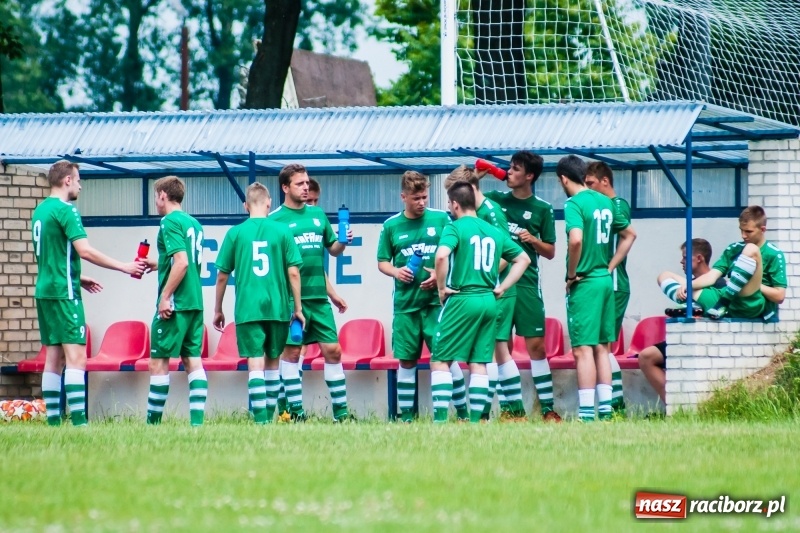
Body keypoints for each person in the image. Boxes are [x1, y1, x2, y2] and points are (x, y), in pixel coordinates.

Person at [32, 160, 145, 426]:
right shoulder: (66, 210)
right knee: (76, 356)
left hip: (46, 290)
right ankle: (80, 423)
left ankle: (52, 422)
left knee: (53, 356)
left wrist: (78, 276)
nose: (81, 185)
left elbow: (51, 257)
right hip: (64, 293)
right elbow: (85, 250)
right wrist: (124, 266)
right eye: (79, 179)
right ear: (67, 180)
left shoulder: (40, 211)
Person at [431, 182, 530, 423]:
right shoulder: (493, 231)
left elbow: (442, 255)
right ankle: (477, 422)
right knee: (479, 362)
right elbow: (523, 259)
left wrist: (442, 288)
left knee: (440, 360)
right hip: (489, 299)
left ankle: (440, 421)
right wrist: (503, 286)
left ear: (455, 204)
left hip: (462, 298)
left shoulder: (455, 228)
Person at [212, 183, 305, 424]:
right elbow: (294, 272)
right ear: (269, 202)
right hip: (277, 307)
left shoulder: (235, 233)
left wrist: (218, 309)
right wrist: (298, 308)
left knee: (255, 362)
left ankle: (261, 420)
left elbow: (222, 274)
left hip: (248, 308)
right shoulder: (283, 231)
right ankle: (270, 417)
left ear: (245, 205)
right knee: (273, 362)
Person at [270, 164, 353, 422]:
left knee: (334, 350)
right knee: (293, 354)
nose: (306, 187)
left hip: (319, 300)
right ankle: (294, 414)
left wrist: (342, 241)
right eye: (299, 183)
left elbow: (331, 251)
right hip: (291, 302)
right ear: (285, 188)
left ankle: (341, 415)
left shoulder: (318, 215)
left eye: (307, 183)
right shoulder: (274, 220)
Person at [484, 150, 560, 421]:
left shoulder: (543, 208)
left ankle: (548, 409)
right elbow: (466, 202)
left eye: (515, 169)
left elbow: (550, 251)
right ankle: (510, 410)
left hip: (527, 284)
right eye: (509, 168)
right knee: (499, 344)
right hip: (499, 284)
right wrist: (478, 178)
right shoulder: (494, 200)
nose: (509, 173)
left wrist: (533, 240)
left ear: (529, 176)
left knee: (536, 345)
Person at [377, 171, 456, 422]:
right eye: (416, 198)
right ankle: (407, 417)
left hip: (437, 304)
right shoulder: (391, 226)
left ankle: (461, 414)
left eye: (424, 197)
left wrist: (439, 276)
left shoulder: (442, 219)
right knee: (407, 362)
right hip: (406, 306)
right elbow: (382, 262)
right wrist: (396, 271)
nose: (421, 202)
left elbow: (455, 254)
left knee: (446, 358)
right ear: (403, 197)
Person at [557, 155, 631, 421]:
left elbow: (575, 240)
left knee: (583, 348)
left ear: (564, 178)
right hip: (604, 281)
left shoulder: (574, 204)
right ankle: (606, 411)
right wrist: (610, 266)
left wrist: (571, 274)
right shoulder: (605, 202)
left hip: (585, 282)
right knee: (602, 347)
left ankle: (587, 414)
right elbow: (630, 234)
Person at [143, 176, 208, 426]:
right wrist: (159, 263)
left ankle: (153, 425)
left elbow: (181, 262)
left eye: (155, 196)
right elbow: (185, 260)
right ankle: (197, 425)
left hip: (177, 304)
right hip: (195, 302)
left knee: (158, 362)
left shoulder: (168, 221)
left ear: (162, 195)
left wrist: (165, 296)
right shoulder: (194, 223)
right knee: (193, 360)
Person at [657, 206, 786, 320]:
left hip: (750, 303)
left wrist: (744, 282)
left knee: (751, 249)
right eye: (741, 230)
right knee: (664, 276)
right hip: (726, 299)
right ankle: (696, 305)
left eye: (748, 231)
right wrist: (689, 285)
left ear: (762, 230)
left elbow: (779, 296)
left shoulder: (774, 254)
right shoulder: (733, 248)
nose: (743, 235)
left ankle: (722, 302)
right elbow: (711, 276)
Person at [640, 239, 725, 405]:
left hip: (706, 340)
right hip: (682, 338)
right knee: (646, 356)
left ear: (699, 258)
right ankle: (673, 405)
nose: (681, 261)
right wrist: (687, 286)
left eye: (686, 257)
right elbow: (664, 276)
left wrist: (690, 290)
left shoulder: (719, 284)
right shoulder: (687, 285)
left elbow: (711, 306)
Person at [584, 162, 637, 413]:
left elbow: (629, 235)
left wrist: (609, 267)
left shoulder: (616, 205)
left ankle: (615, 406)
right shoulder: (597, 206)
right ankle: (613, 405)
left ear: (605, 181)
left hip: (613, 284)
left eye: (591, 183)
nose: (587, 188)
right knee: (599, 346)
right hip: (603, 284)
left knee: (602, 347)